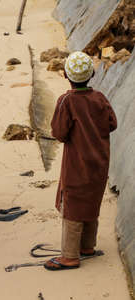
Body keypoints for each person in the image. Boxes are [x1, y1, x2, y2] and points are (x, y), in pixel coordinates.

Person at [44, 51, 117, 271]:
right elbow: (112, 124)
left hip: (77, 164)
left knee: (73, 206)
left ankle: (69, 256)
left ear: (66, 75)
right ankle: (87, 247)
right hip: (100, 161)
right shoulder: (100, 98)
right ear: (92, 74)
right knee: (92, 200)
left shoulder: (66, 100)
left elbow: (59, 133)